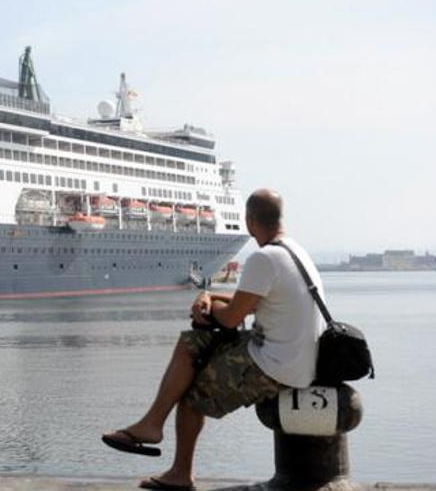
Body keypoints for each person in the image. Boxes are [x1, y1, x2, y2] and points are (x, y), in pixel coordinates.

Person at [101, 189, 325, 491]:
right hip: (296, 356)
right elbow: (253, 301)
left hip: (277, 366)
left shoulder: (263, 258)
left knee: (193, 393)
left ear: (249, 221)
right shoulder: (292, 251)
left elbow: (232, 317)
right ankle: (152, 423)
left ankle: (180, 473)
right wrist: (208, 296)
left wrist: (209, 308)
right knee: (192, 341)